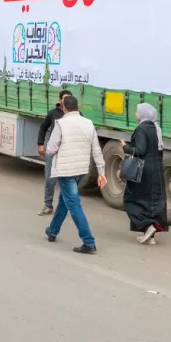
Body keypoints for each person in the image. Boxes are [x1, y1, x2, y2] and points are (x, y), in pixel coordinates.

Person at [44, 95, 107, 254]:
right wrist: (101, 172)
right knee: (64, 201)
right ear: (77, 107)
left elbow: (51, 149)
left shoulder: (61, 124)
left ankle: (89, 242)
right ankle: (52, 230)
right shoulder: (89, 123)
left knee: (74, 205)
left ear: (63, 107)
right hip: (81, 170)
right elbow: (96, 150)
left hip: (66, 171)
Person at [123, 103, 169, 244]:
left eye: (137, 112)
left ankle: (148, 226)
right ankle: (150, 235)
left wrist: (125, 147)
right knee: (151, 202)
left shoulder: (141, 129)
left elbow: (140, 150)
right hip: (156, 170)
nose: (135, 114)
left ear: (143, 114)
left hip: (143, 171)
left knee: (131, 200)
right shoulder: (156, 129)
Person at [36, 90, 73, 216]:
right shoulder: (53, 113)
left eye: (69, 98)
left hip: (67, 151)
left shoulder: (76, 115)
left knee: (67, 180)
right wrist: (40, 143)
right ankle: (48, 205)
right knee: (49, 179)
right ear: (60, 100)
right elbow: (43, 127)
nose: (67, 101)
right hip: (53, 151)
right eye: (65, 98)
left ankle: (67, 206)